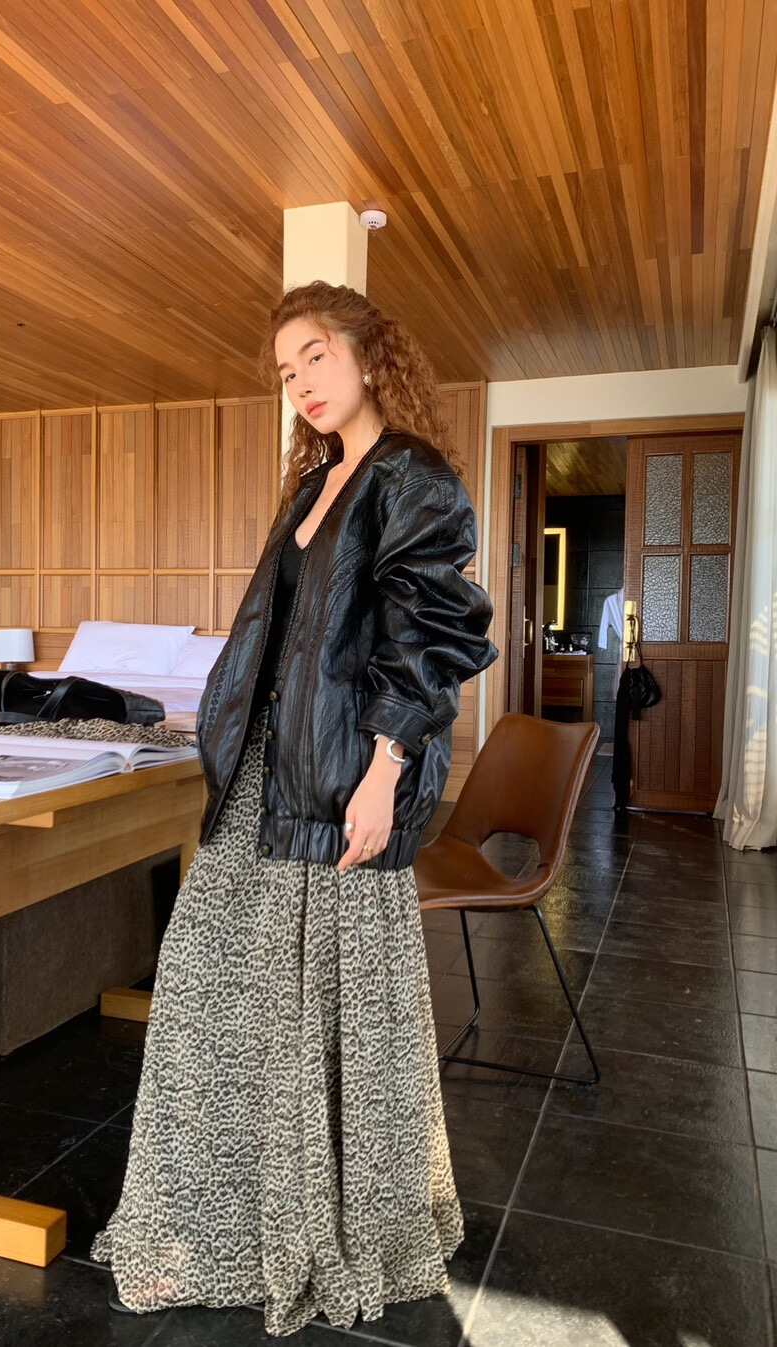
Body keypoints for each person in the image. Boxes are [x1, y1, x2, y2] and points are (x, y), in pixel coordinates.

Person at [92, 280, 498, 1336]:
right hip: (265, 774)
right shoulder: (317, 481)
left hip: (341, 778)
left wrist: (383, 773)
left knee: (326, 1006)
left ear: (367, 351)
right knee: (216, 994)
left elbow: (428, 642)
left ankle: (334, 1220)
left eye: (315, 355)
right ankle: (231, 1220)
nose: (302, 382)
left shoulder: (412, 474)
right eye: (285, 371)